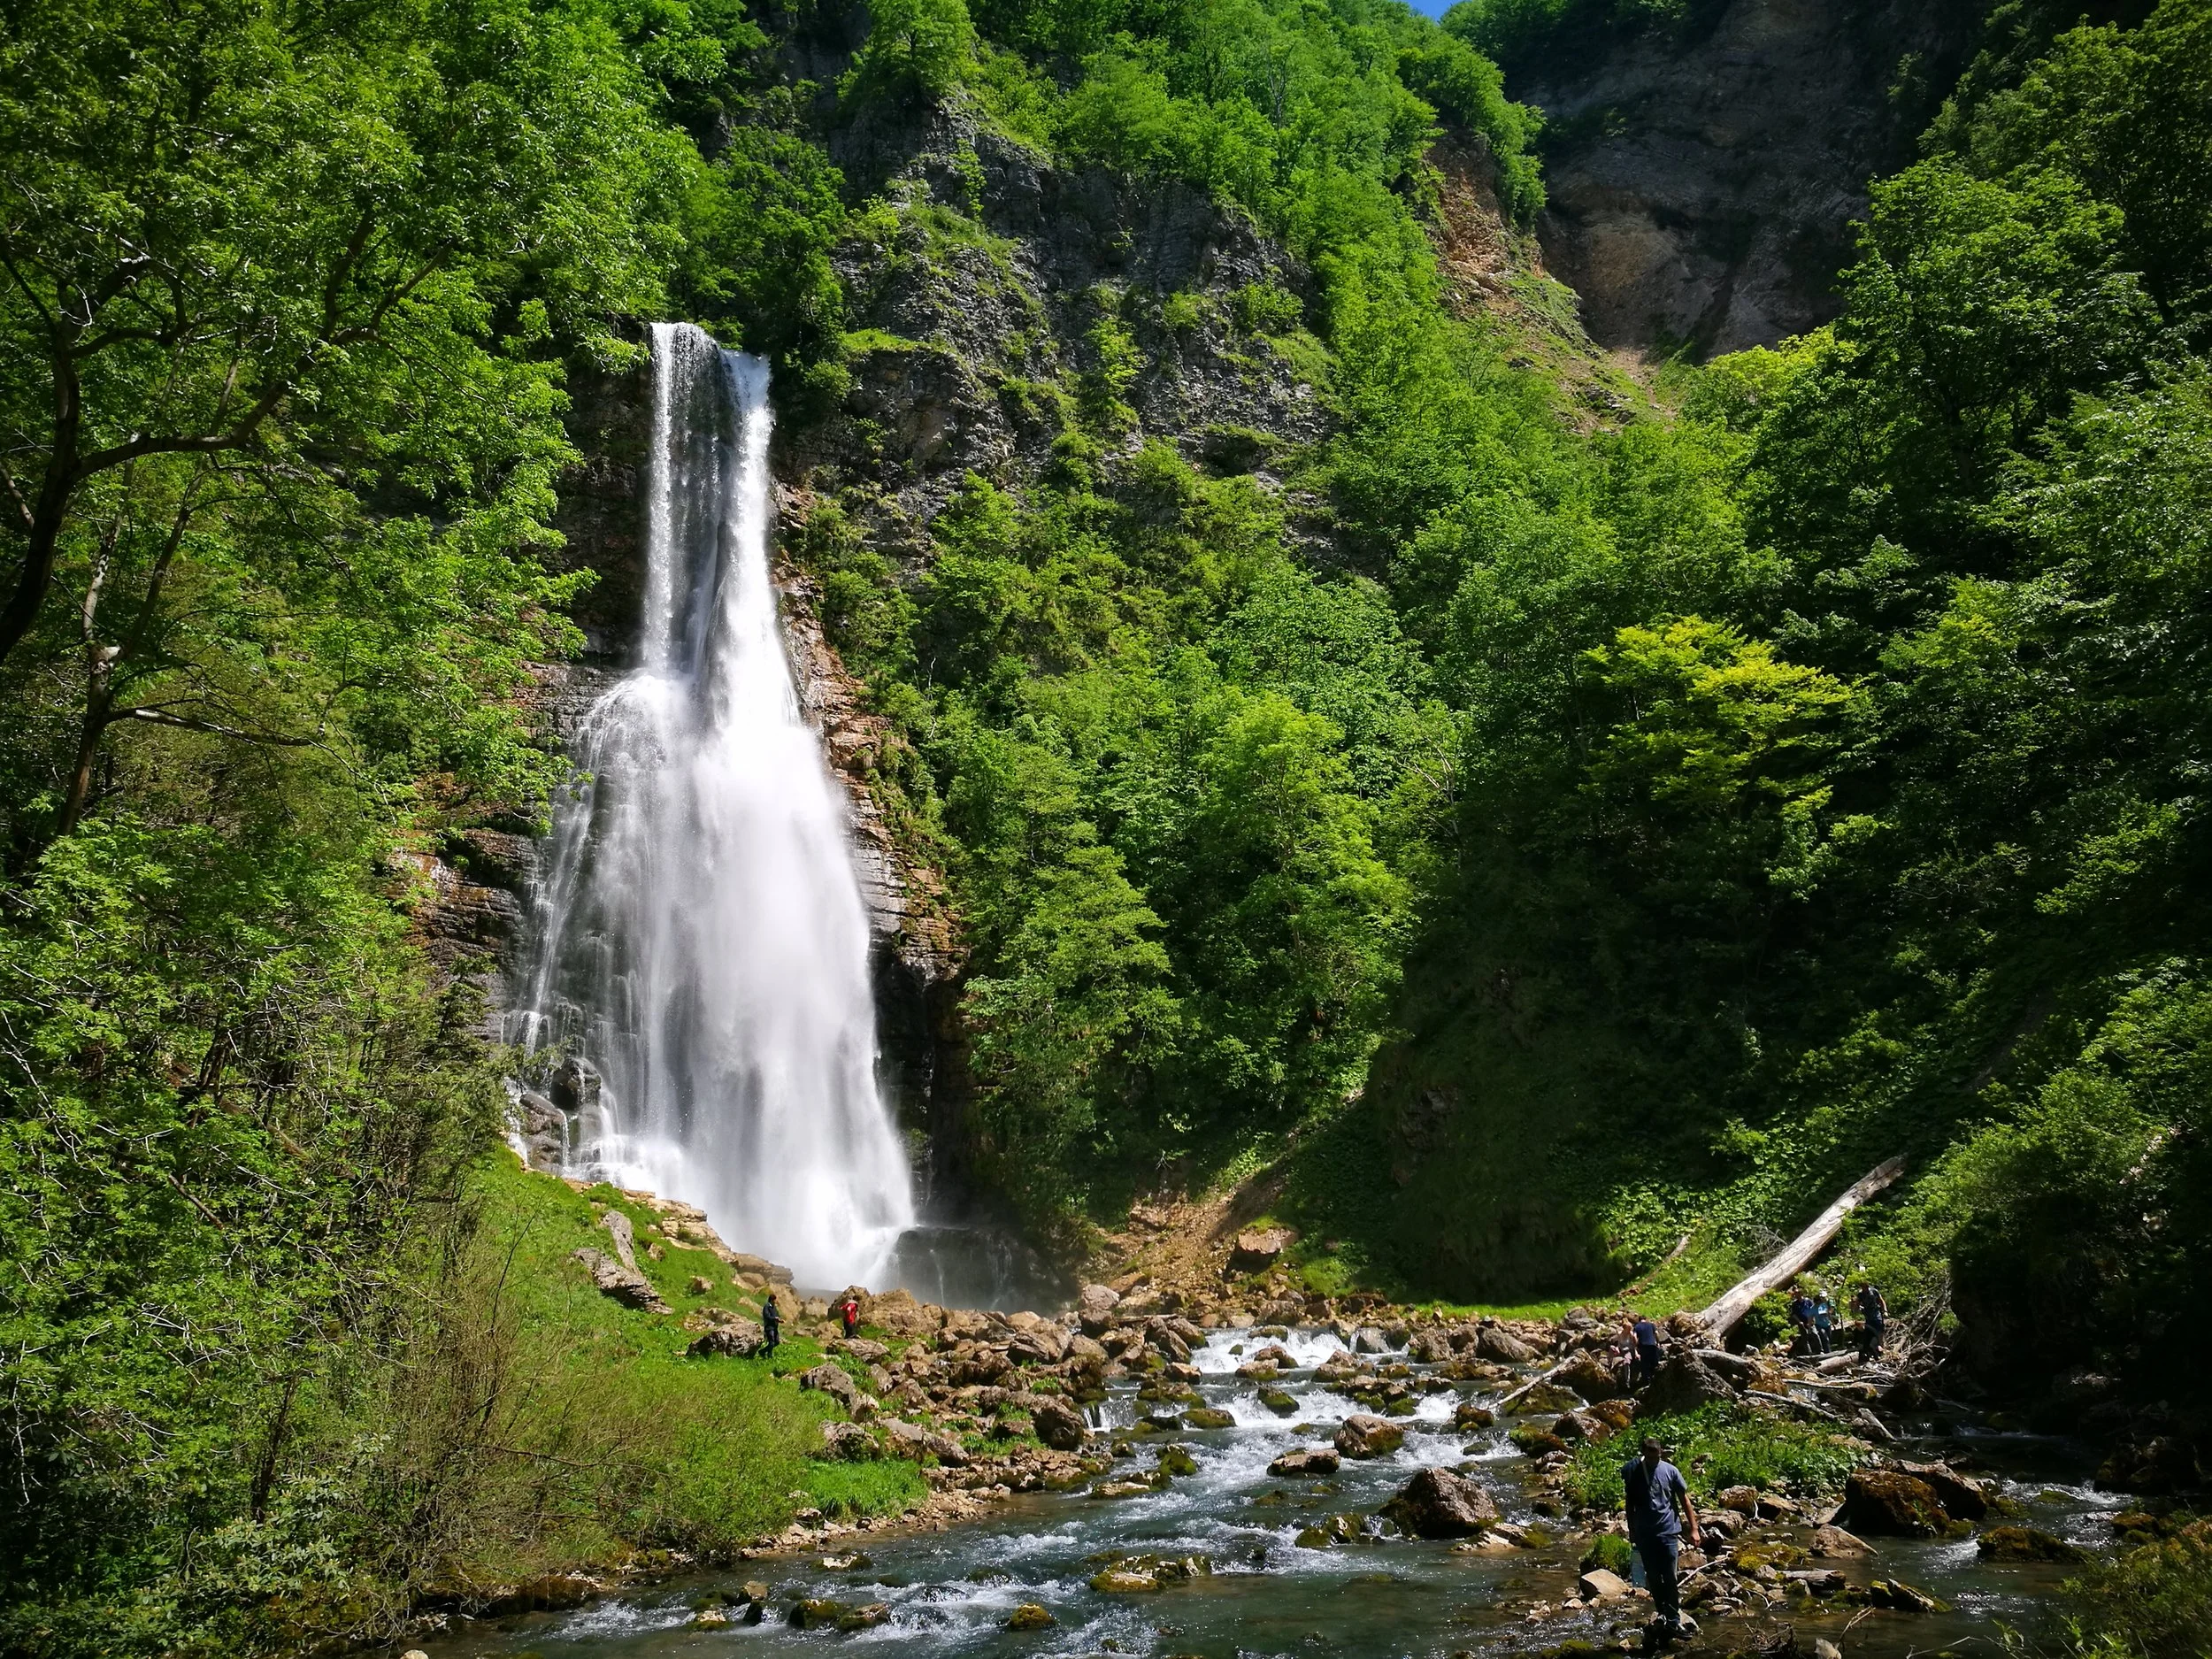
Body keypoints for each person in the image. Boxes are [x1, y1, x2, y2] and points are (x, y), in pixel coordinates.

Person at [1622, 1435, 1701, 1640]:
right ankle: (1663, 1613)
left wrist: (1694, 1529)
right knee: (1654, 1578)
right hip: (1645, 1534)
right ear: (1644, 1453)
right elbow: (1629, 1504)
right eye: (1650, 1456)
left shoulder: (1670, 1471)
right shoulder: (1635, 1473)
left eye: (1657, 1456)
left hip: (1668, 1532)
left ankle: (1674, 1620)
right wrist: (1632, 1530)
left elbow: (1684, 1500)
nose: (1654, 1460)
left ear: (1661, 1452)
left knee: (1671, 1577)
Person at [1855, 1280, 1888, 1361]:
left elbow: (1881, 1300)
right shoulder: (1860, 1294)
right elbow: (1857, 1303)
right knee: (1870, 1332)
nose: (1864, 1288)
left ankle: (1882, 1347)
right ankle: (1874, 1349)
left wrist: (1885, 1311)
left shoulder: (1874, 1291)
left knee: (1879, 1330)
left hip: (1876, 1313)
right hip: (1868, 1315)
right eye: (1862, 1287)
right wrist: (1856, 1309)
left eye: (1865, 1286)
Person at [1632, 1313, 1664, 1390]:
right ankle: (1655, 1380)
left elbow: (1634, 1336)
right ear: (1645, 1319)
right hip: (1652, 1346)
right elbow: (1656, 1333)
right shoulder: (1651, 1325)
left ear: (1639, 1320)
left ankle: (1646, 1383)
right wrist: (1658, 1342)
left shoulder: (1637, 1326)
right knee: (1654, 1363)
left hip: (1643, 1347)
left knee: (1645, 1365)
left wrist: (1636, 1344)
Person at [1787, 1285, 1816, 1356]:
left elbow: (1813, 1310)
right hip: (1801, 1323)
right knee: (1805, 1338)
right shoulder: (1795, 1304)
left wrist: (1812, 1319)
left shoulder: (1808, 1301)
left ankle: (1820, 1350)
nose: (1795, 1295)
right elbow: (1793, 1314)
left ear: (1800, 1293)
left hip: (1810, 1321)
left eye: (1796, 1293)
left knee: (1815, 1334)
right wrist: (1799, 1321)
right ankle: (1809, 1353)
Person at [1811, 1287, 1836, 1356]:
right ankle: (1828, 1353)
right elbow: (1811, 1316)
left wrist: (1832, 1323)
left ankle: (1827, 1350)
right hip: (1819, 1325)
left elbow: (1828, 1314)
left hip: (1827, 1324)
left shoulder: (1824, 1306)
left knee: (1828, 1338)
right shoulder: (1813, 1308)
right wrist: (1811, 1323)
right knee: (1825, 1338)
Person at [761, 1292, 781, 1358]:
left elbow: (777, 1315)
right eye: (775, 1300)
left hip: (775, 1327)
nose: (776, 1302)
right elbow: (767, 1316)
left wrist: (779, 1320)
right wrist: (774, 1319)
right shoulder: (767, 1307)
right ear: (772, 1300)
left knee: (777, 1341)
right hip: (769, 1327)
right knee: (772, 1342)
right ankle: (769, 1355)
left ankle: (763, 1351)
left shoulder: (774, 1308)